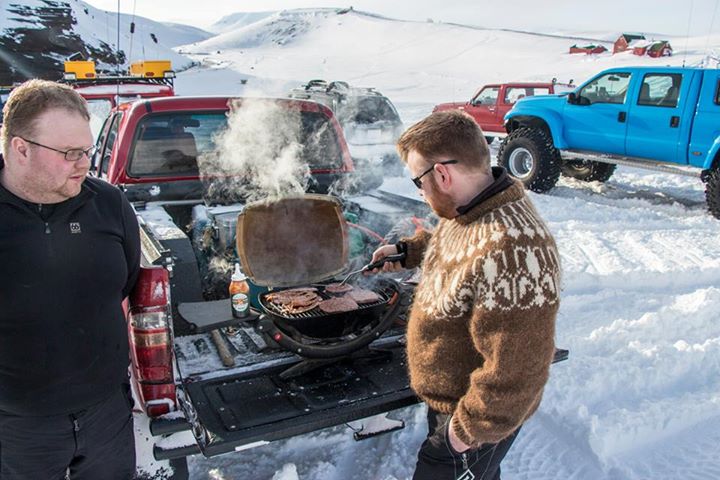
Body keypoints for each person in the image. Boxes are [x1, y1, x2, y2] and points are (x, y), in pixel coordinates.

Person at [369, 110, 561, 480]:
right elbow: (461, 242)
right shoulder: (473, 207)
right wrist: (408, 251)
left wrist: (462, 434)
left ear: (441, 173)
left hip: (473, 419)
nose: (421, 194)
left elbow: (519, 368)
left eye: (418, 183)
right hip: (455, 402)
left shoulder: (512, 247)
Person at [0, 79, 140, 479]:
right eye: (70, 153)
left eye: (87, 150)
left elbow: (125, 281)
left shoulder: (109, 203)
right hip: (19, 428)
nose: (84, 163)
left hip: (107, 415)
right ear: (20, 148)